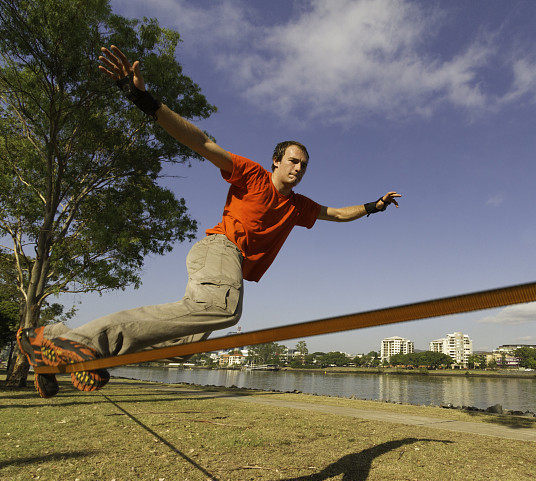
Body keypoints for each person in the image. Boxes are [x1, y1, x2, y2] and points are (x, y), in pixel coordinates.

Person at [17, 45, 401, 398]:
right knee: (224, 309)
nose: (299, 169)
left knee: (191, 344)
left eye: (304, 165)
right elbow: (201, 143)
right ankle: (87, 341)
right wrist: (143, 99)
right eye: (293, 161)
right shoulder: (252, 175)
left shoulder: (298, 206)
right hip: (220, 249)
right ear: (276, 162)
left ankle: (54, 344)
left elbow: (335, 213)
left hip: (227, 264)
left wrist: (374, 206)